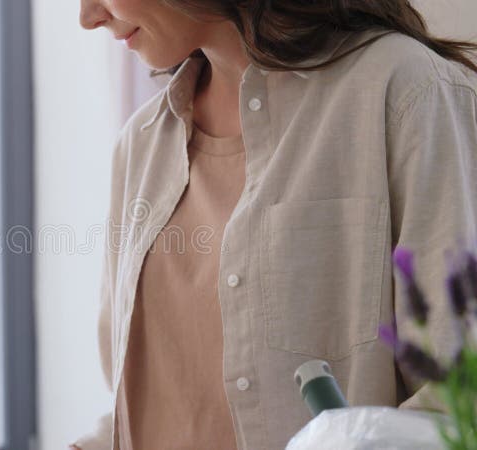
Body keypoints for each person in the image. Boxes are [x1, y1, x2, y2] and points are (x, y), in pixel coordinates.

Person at [71, 1, 477, 449]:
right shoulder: (140, 147)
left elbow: (460, 400)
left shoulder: (403, 91)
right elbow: (156, 411)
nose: (89, 17)